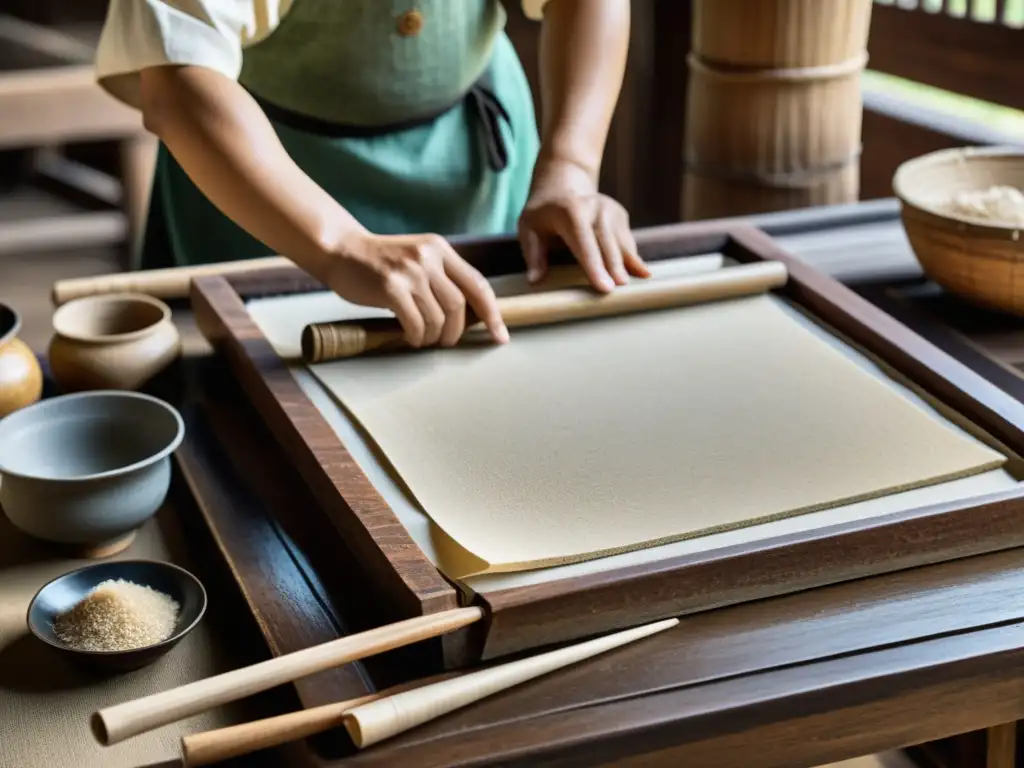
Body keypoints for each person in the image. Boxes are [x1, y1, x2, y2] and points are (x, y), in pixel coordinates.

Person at [95, 0, 650, 349]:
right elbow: (178, 78)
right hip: (261, 171)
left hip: (472, 152)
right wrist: (340, 245)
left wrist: (570, 168)